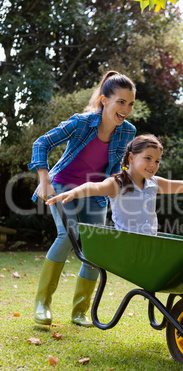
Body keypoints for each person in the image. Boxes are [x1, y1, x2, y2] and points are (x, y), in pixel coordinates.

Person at [28, 71, 136, 327]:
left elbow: (114, 168)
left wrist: (120, 185)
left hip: (93, 191)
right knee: (68, 234)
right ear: (104, 100)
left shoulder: (127, 132)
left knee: (94, 247)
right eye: (121, 102)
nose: (126, 109)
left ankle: (80, 312)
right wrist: (44, 180)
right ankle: (42, 304)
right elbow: (41, 143)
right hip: (62, 185)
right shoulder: (81, 123)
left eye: (130, 104)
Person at [46, 134, 183, 239]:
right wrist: (73, 192)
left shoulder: (153, 184)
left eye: (157, 161)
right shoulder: (118, 183)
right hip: (128, 245)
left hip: (150, 243)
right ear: (131, 158)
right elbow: (93, 187)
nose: (153, 165)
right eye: (148, 158)